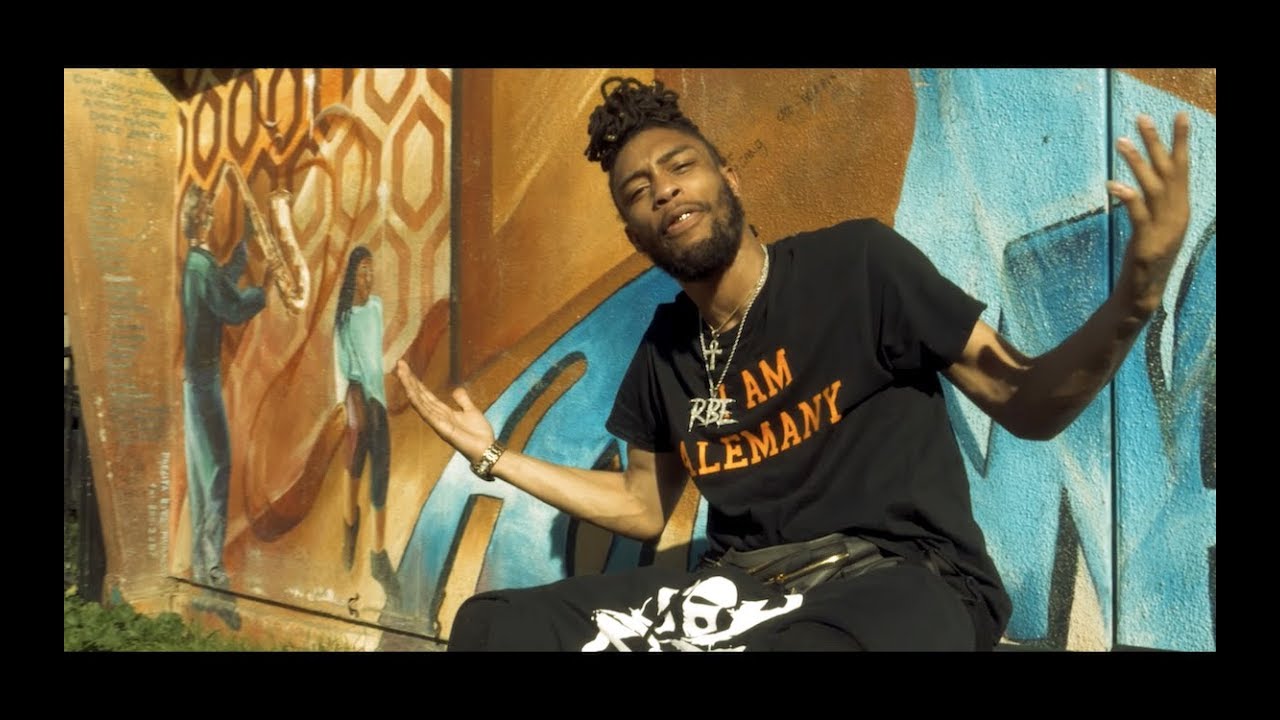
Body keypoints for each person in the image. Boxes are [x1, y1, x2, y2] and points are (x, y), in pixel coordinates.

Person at [394, 77, 1191, 651]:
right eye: (638, 189)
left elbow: (1025, 399)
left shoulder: (859, 267)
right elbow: (642, 505)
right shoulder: (667, 349)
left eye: (680, 165)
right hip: (742, 588)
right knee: (495, 626)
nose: (663, 190)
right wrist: (495, 457)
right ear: (635, 232)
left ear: (728, 178)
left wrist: (1137, 292)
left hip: (905, 581)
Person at [180, 183, 273, 629]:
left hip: (196, 381)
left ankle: (204, 572)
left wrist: (246, 246)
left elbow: (223, 283)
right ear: (200, 218)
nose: (214, 216)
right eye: (209, 211)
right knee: (218, 469)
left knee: (206, 476)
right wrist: (264, 288)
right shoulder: (199, 266)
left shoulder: (197, 263)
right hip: (203, 383)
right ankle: (213, 573)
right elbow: (232, 308)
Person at [333, 245, 400, 606]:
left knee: (381, 474)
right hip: (357, 397)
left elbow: (377, 354)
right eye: (362, 271)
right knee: (355, 467)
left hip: (378, 399)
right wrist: (344, 404)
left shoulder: (376, 308)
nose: (368, 277)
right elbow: (341, 365)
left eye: (371, 270)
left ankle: (378, 555)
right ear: (352, 277)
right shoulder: (343, 318)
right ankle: (349, 527)